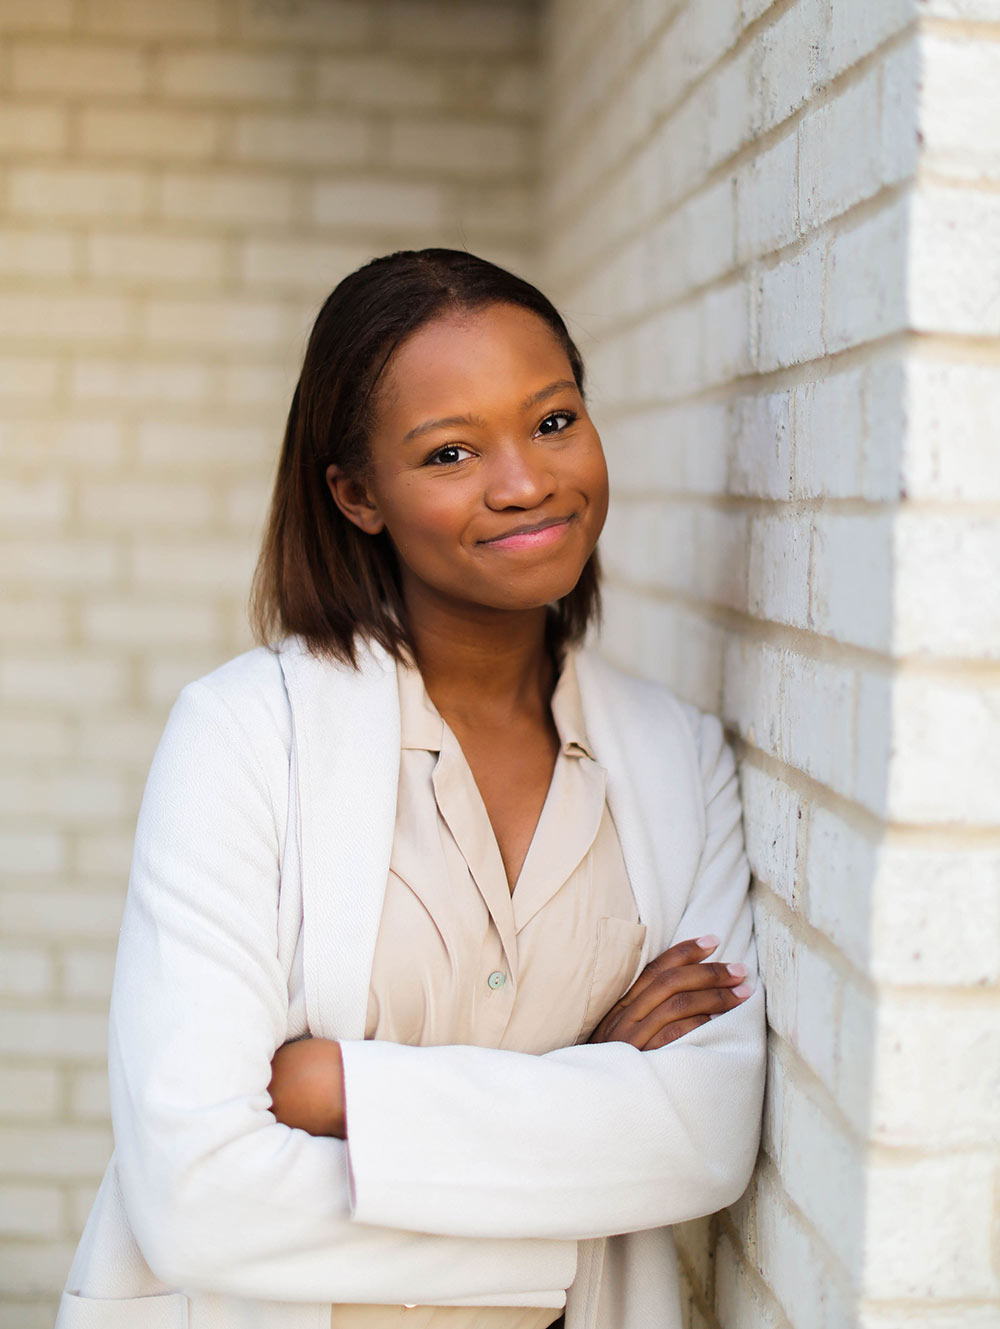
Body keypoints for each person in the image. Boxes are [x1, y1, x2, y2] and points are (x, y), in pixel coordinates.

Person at [55, 248, 766, 1329]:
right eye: (449, 452)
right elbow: (195, 1199)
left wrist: (340, 1091)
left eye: (554, 421)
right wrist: (588, 1113)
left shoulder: (677, 759)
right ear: (356, 494)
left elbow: (706, 1134)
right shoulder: (245, 737)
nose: (526, 480)